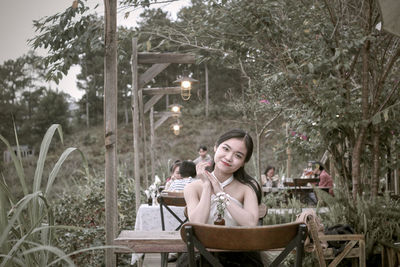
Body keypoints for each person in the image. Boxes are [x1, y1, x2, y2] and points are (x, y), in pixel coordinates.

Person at [179, 129, 263, 266]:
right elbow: (196, 223)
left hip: (240, 255)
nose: (229, 157)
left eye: (238, 155)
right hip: (200, 254)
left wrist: (221, 194)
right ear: (216, 147)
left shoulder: (247, 188)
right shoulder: (192, 188)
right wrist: (207, 186)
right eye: (225, 149)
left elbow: (251, 224)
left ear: (243, 162)